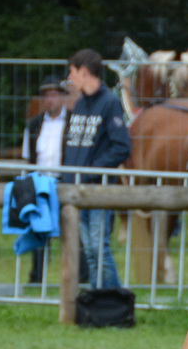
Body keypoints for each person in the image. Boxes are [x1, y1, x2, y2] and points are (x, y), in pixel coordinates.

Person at [62, 49, 131, 290]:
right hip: (77, 187)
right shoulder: (80, 104)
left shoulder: (109, 103)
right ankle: (99, 296)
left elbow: (122, 146)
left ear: (83, 71)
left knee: (97, 245)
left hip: (97, 188)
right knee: (89, 249)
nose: (70, 79)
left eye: (72, 72)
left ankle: (111, 297)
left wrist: (92, 170)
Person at [20, 79, 71, 282]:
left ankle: (78, 275)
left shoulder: (73, 122)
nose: (51, 100)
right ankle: (37, 277)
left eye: (55, 95)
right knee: (40, 231)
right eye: (47, 96)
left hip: (64, 181)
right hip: (39, 182)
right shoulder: (34, 124)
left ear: (63, 97)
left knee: (70, 229)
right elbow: (27, 157)